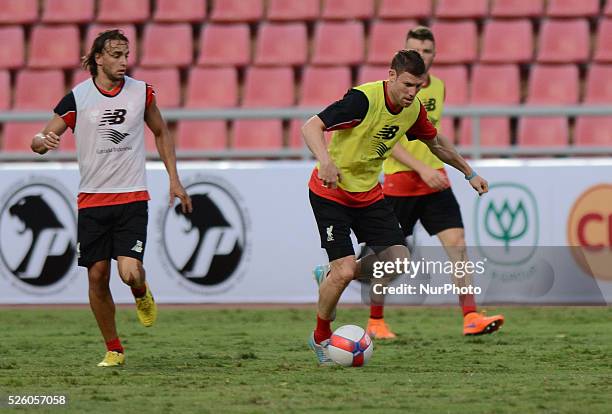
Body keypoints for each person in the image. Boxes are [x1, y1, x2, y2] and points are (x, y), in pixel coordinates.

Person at [303, 50, 488, 365]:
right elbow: (311, 127)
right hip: (330, 192)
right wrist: (325, 161)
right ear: (391, 76)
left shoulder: (412, 109)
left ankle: (330, 275)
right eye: (407, 85)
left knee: (398, 261)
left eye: (417, 86)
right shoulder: (362, 99)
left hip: (368, 194)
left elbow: (437, 144)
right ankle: (321, 336)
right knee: (346, 269)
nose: (412, 93)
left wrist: (468, 171)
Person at [30, 29, 192, 367]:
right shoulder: (78, 98)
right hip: (92, 202)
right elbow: (42, 138)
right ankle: (114, 349)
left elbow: (161, 132)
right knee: (96, 276)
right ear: (98, 58)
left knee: (129, 272)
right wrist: (42, 142)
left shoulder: (140, 93)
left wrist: (174, 180)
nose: (123, 62)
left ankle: (140, 292)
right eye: (116, 55)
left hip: (132, 198)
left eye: (126, 55)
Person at [374, 26, 505, 338]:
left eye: (427, 50)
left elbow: (433, 136)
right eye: (415, 49)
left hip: (435, 180)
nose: (421, 55)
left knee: (457, 244)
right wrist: (420, 168)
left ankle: (470, 315)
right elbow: (388, 140)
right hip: (401, 181)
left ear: (435, 55)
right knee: (388, 259)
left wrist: (466, 171)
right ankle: (375, 320)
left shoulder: (438, 87)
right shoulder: (389, 92)